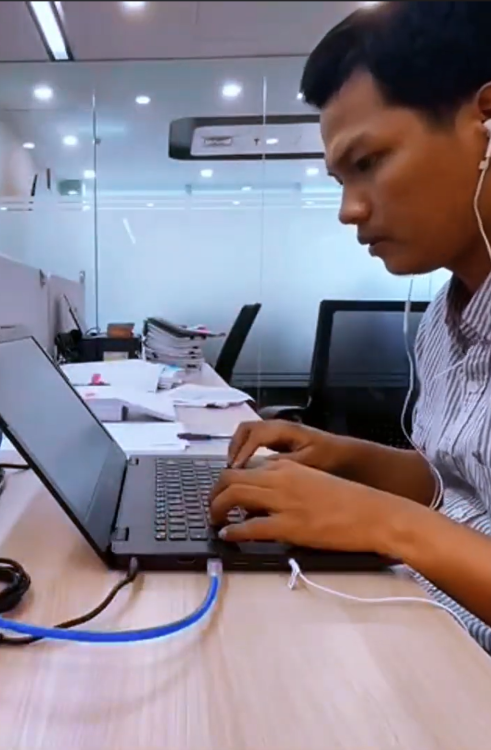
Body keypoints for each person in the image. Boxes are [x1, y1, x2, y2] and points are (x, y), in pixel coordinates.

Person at [209, 1, 491, 650]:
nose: (348, 211)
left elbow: (423, 522)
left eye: (367, 163)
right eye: (339, 178)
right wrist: (346, 458)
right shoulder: (442, 319)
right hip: (420, 624)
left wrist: (386, 523)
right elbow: (463, 489)